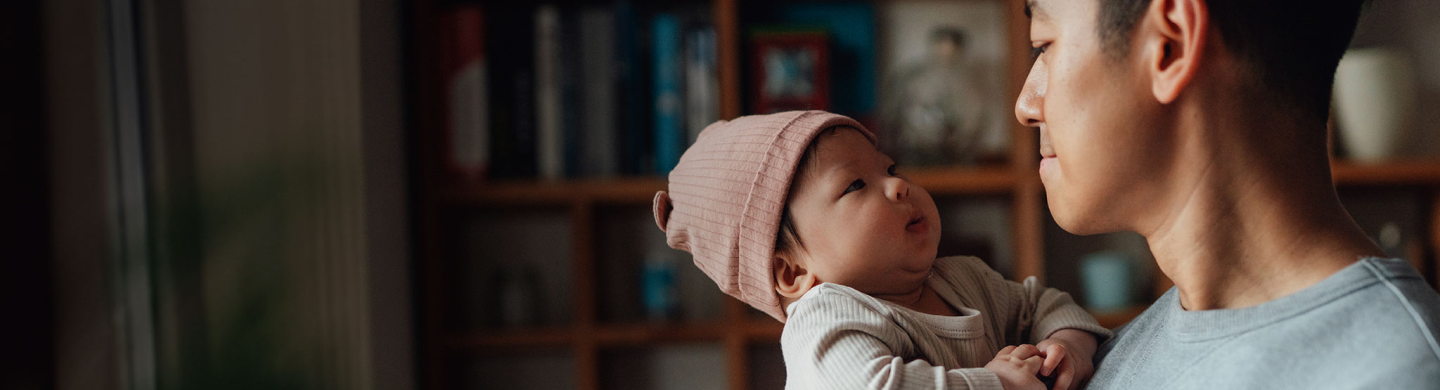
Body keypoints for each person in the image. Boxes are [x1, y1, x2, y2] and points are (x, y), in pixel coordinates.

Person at [1014, 0, 1440, 388]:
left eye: (1043, 45)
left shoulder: (1399, 371)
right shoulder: (1093, 360)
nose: (1025, 106)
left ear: (1171, 44)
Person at [653, 110, 1110, 390]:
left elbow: (1042, 304)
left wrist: (1068, 344)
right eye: (855, 185)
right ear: (791, 273)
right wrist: (997, 384)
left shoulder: (966, 279)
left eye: (890, 168)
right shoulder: (825, 318)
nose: (897, 185)